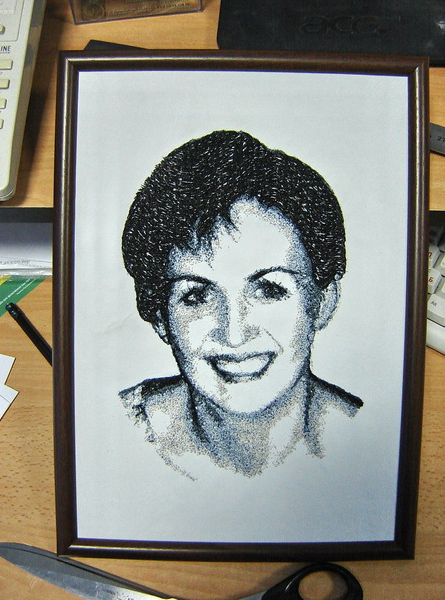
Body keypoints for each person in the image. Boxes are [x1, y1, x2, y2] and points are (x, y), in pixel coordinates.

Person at [120, 130, 362, 479]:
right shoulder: (116, 430)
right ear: (160, 316)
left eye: (269, 290)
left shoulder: (367, 434)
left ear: (322, 302)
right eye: (197, 296)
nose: (234, 335)